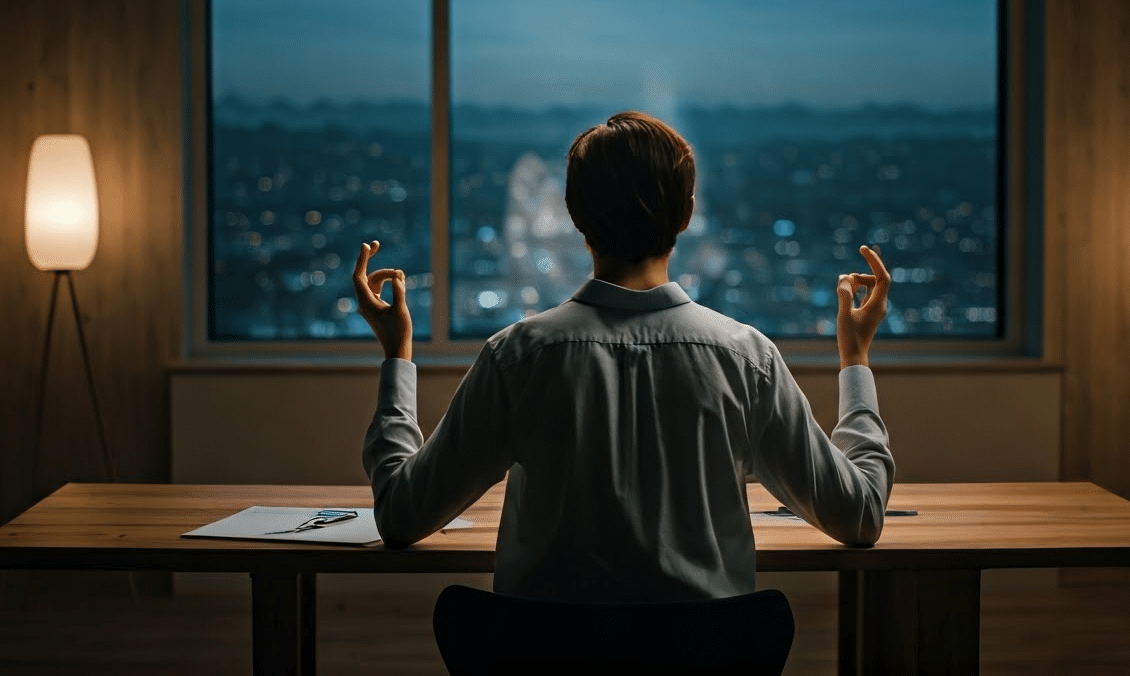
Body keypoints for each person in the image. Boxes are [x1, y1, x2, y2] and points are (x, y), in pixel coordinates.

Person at [355, 110, 893, 602]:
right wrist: (856, 359)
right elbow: (861, 515)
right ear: (686, 216)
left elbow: (401, 516)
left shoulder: (517, 359)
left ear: (574, 214)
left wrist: (397, 354)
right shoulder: (746, 361)